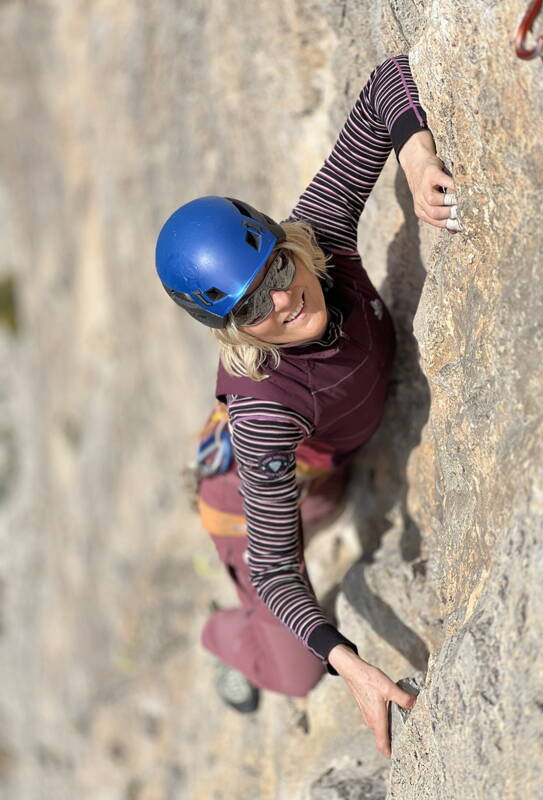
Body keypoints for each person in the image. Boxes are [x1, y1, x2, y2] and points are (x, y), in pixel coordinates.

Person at [155, 55, 457, 758]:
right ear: (232, 330)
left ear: (285, 245)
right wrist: (347, 661)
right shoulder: (264, 414)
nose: (285, 298)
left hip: (325, 469)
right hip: (250, 506)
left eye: (278, 270)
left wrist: (415, 165)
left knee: (328, 502)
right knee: (295, 670)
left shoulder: (318, 236)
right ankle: (220, 634)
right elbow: (276, 568)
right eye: (254, 305)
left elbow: (389, 82)